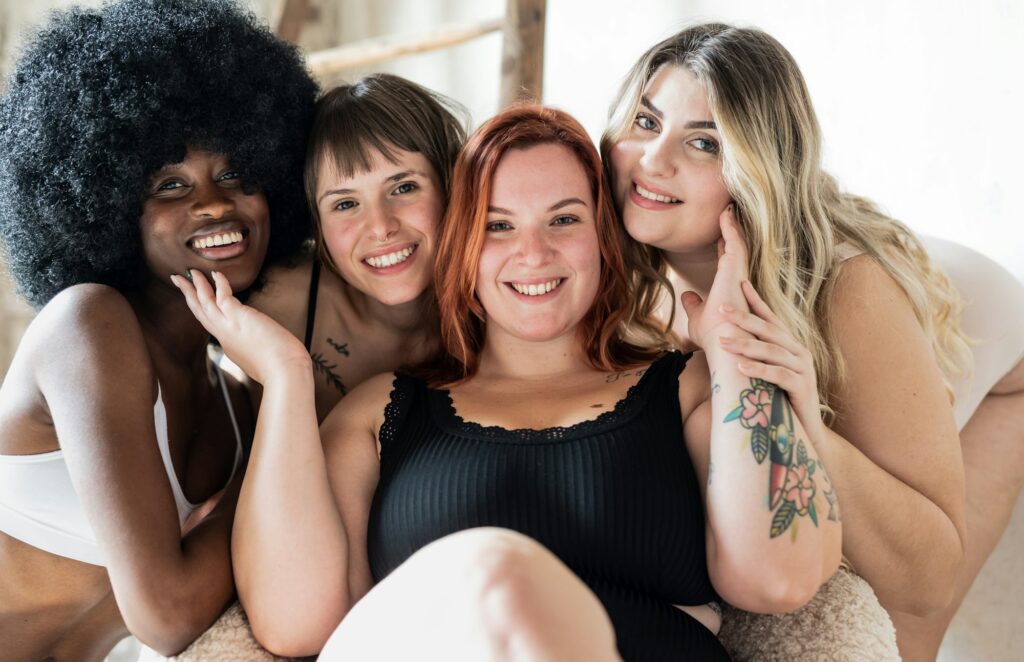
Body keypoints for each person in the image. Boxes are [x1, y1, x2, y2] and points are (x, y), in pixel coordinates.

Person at [173, 104, 842, 660]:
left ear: (604, 238)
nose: (534, 253)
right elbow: (295, 624)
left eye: (564, 218)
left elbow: (779, 579)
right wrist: (286, 380)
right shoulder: (382, 411)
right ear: (464, 243)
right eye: (498, 226)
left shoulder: (690, 387)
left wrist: (731, 348)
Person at [601, 22, 1024, 660]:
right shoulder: (603, 251)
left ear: (754, 168)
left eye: (705, 142)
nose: (654, 160)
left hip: (999, 344)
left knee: (899, 619)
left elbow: (930, 576)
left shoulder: (851, 293)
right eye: (644, 120)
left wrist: (808, 425)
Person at [0, 0, 317, 658]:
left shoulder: (236, 403)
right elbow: (169, 614)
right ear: (107, 205)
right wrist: (286, 418)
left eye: (235, 173)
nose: (214, 202)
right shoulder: (87, 327)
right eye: (170, 184)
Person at [247, 73, 467, 423]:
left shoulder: (496, 309)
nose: (381, 227)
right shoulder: (276, 307)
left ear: (450, 184)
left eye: (404, 188)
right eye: (345, 204)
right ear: (316, 224)